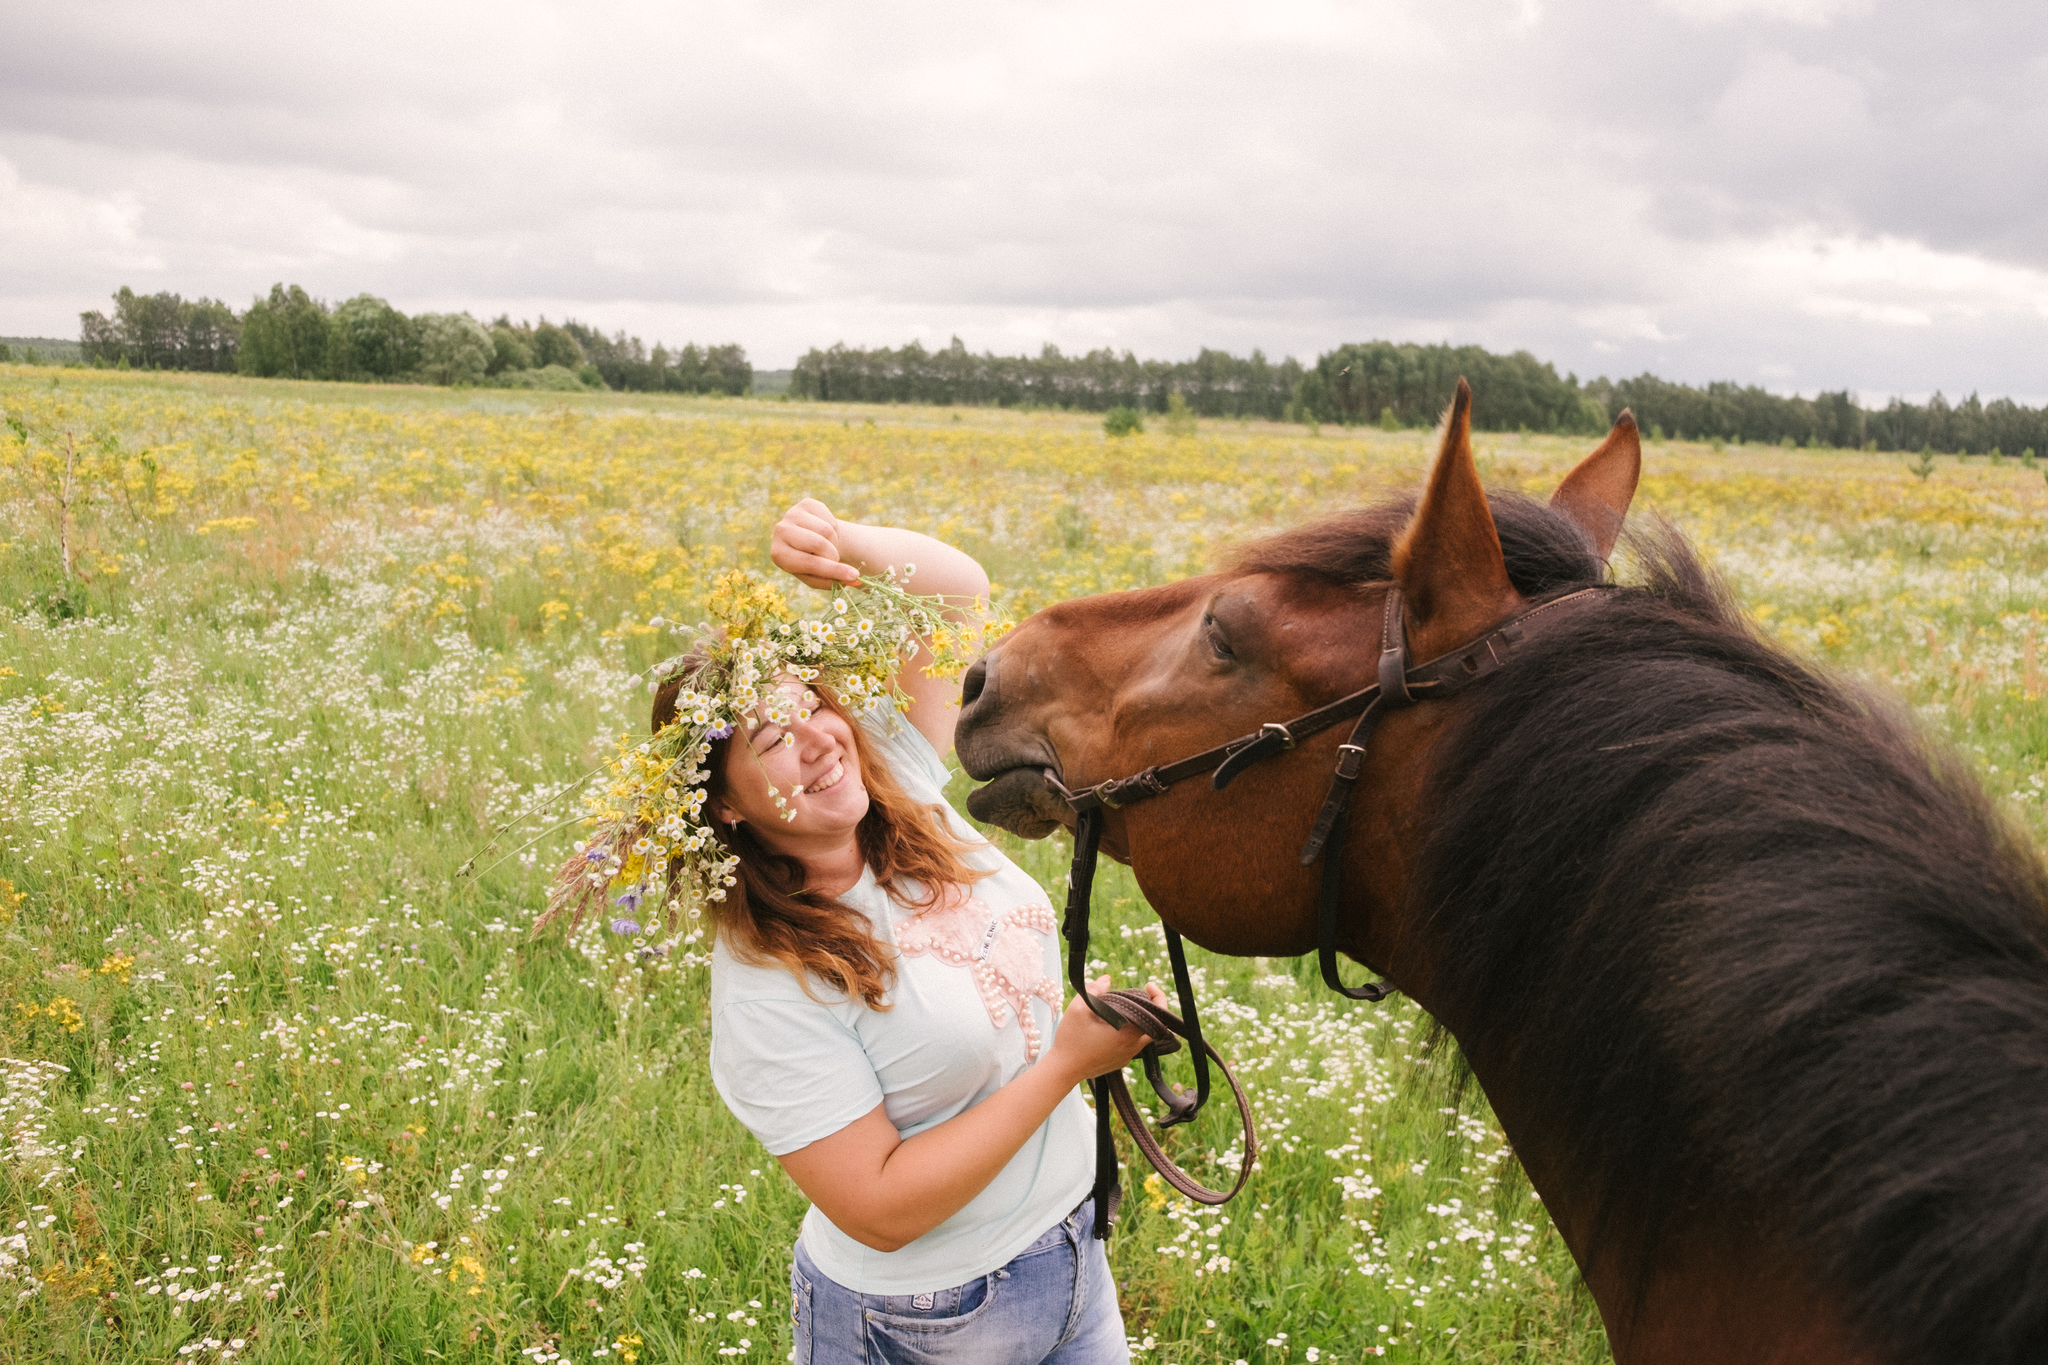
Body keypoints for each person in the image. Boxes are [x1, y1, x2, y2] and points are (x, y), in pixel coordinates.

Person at [678, 498, 1160, 1365]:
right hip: (922, 1323)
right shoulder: (767, 976)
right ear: (724, 804)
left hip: (1072, 1256)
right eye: (771, 738)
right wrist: (1066, 1063)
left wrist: (837, 545)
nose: (820, 741)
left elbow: (956, 592)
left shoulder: (896, 776)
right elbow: (879, 1207)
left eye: (813, 707)